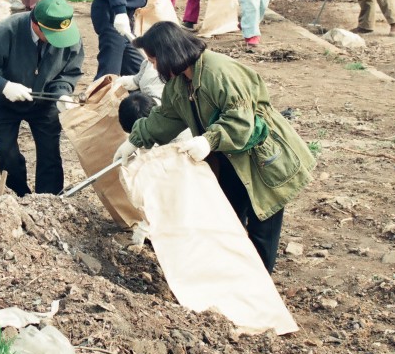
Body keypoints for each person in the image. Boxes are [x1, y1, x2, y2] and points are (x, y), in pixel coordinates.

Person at [113, 22, 315, 273]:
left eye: (154, 60)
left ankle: (259, 286)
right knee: (227, 218)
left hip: (260, 158)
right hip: (230, 159)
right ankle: (233, 276)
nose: (153, 66)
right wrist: (134, 139)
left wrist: (208, 140)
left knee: (262, 226)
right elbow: (165, 117)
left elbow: (241, 121)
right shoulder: (179, 84)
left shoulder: (219, 72)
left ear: (167, 54)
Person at [0, 0, 84, 197]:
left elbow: (69, 72)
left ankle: (49, 201)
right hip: (4, 103)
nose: (59, 41)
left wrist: (62, 93)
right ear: (36, 24)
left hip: (45, 103)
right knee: (6, 152)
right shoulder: (3, 32)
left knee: (50, 153)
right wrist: (3, 85)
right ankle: (18, 196)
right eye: (52, 35)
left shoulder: (68, 35)